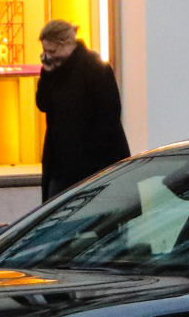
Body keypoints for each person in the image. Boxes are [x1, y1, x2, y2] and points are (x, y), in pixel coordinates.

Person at [34, 19, 130, 200]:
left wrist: (92, 155)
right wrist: (47, 73)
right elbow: (42, 104)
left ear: (66, 45)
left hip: (93, 166)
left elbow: (109, 115)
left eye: (52, 51)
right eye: (45, 51)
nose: (48, 56)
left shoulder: (94, 67)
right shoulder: (53, 70)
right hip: (61, 166)